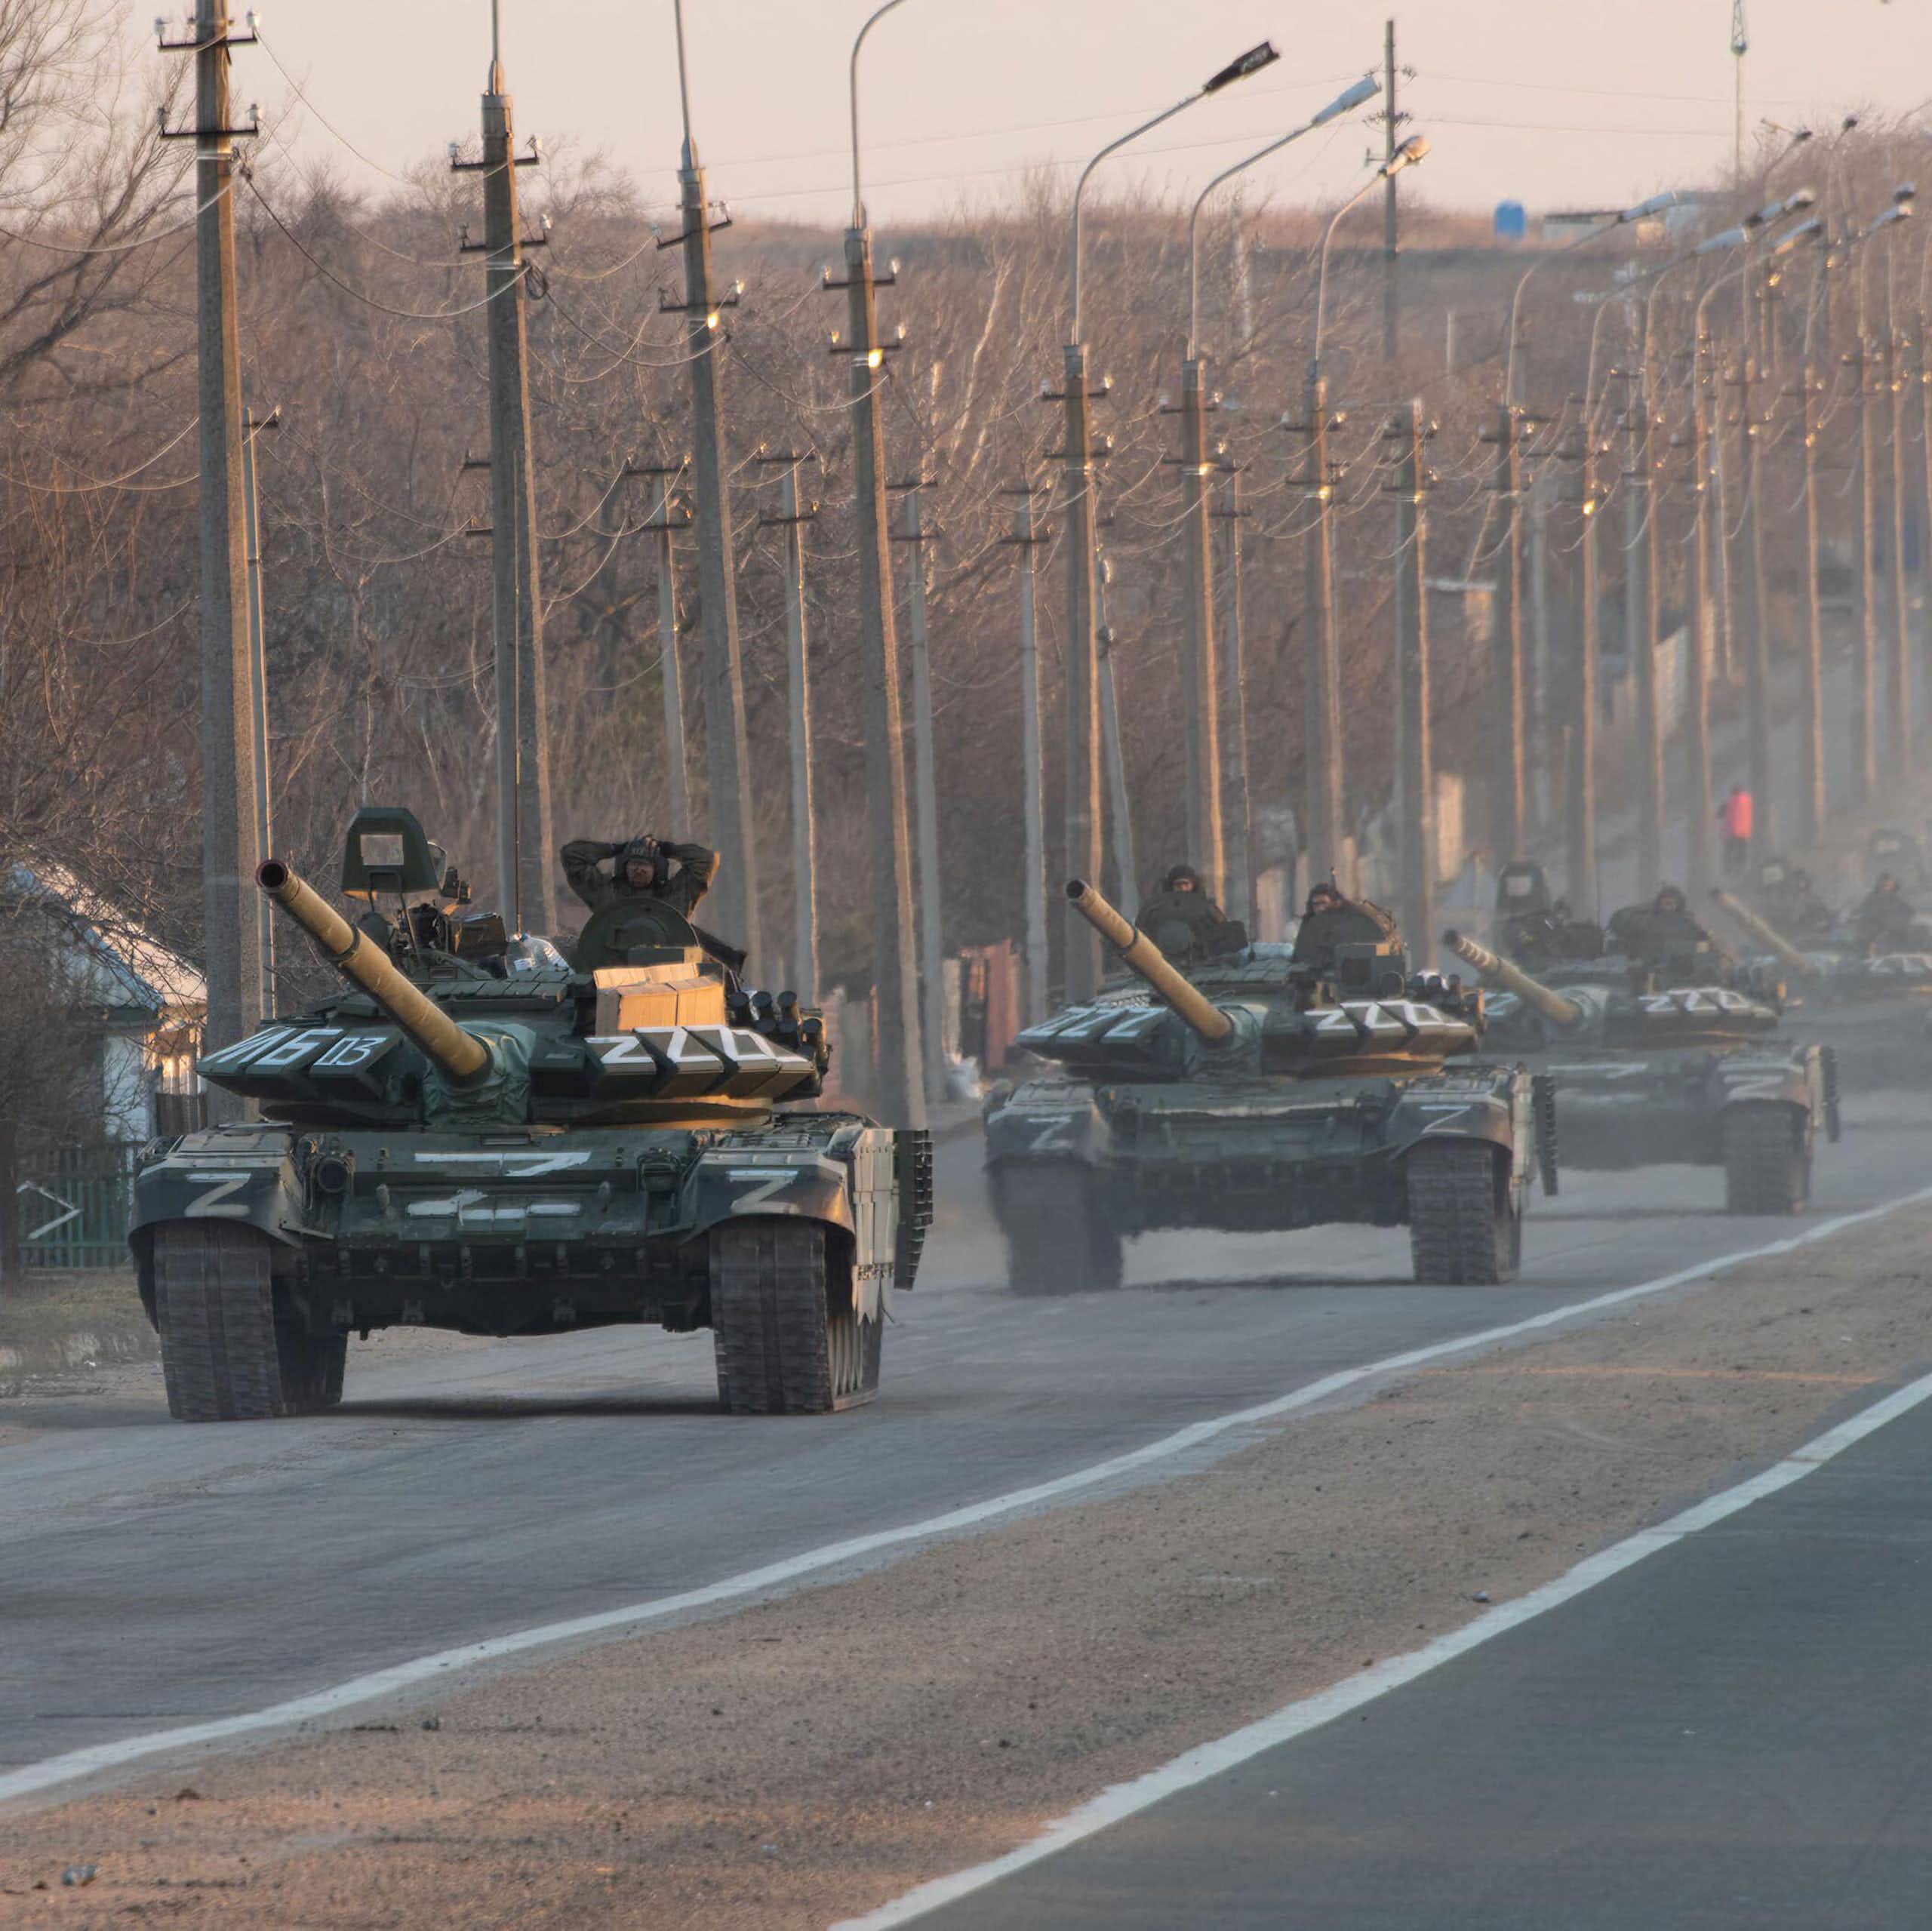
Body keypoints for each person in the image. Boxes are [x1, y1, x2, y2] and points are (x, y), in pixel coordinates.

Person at [562, 834, 718, 920]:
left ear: (657, 870)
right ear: (624, 867)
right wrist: (614, 849)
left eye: (646, 865)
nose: (639, 870)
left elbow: (705, 859)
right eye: (633, 864)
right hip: (613, 967)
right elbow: (572, 855)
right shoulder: (607, 895)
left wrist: (667, 849)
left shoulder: (674, 897)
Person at [1136, 862, 1243, 960]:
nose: (1182, 888)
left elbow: (1221, 927)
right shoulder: (1155, 909)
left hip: (1200, 959)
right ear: (1171, 886)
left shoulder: (1205, 907)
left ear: (1193, 885)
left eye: (1186, 884)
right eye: (1178, 885)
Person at [1291, 879, 1399, 971]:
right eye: (1316, 904)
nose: (1320, 908)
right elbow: (1301, 955)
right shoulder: (1310, 925)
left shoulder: (1353, 919)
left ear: (1334, 903)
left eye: (1324, 903)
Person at [1854, 872, 1917, 954]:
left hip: (1892, 935)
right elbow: (1863, 910)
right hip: (1874, 934)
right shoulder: (1872, 897)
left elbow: (1910, 912)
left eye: (1890, 884)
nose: (1888, 887)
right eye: (1886, 884)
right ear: (1880, 884)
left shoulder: (1897, 900)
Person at [1718, 783, 1753, 876]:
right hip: (1744, 833)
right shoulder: (1748, 800)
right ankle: (1741, 870)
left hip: (1732, 833)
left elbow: (1719, 814)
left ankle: (1728, 871)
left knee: (1728, 853)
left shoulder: (1730, 802)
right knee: (1742, 853)